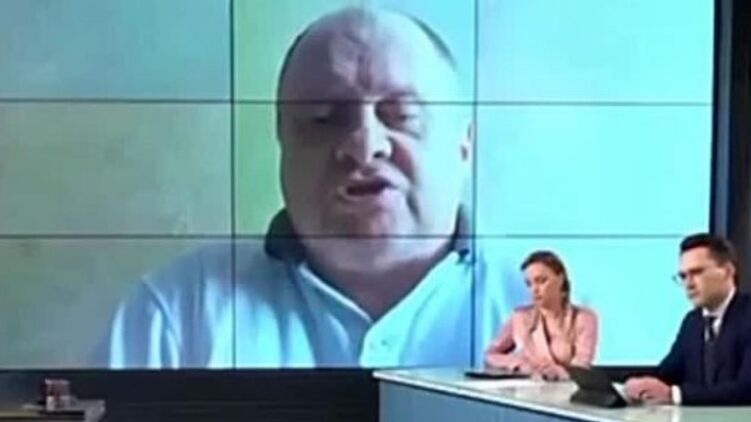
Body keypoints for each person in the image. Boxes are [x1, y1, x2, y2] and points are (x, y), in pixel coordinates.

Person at [94, 7, 521, 368]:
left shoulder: (549, 313)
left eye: (402, 115)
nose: (364, 146)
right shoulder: (175, 316)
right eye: (323, 118)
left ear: (464, 145)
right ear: (283, 143)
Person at [625, 233, 751, 405]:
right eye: (683, 276)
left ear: (728, 271)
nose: (689, 284)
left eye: (697, 272)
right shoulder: (693, 321)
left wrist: (675, 395)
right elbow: (667, 374)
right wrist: (635, 386)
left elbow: (746, 389)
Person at [485, 251, 598, 380]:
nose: (534, 290)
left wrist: (559, 372)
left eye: (541, 281)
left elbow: (582, 366)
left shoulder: (584, 318)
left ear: (560, 279)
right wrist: (519, 364)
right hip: (527, 388)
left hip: (567, 389)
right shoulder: (520, 317)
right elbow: (491, 355)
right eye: (529, 284)